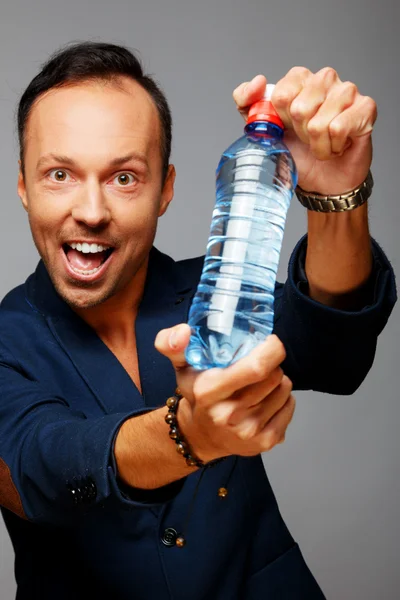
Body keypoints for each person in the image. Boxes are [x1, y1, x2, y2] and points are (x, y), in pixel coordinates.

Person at [0, 41, 396, 600]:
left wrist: (335, 194)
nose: (90, 211)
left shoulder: (221, 290)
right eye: (60, 174)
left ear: (165, 190)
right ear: (23, 185)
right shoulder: (6, 341)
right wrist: (189, 436)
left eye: (124, 178)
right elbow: (39, 469)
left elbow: (335, 348)